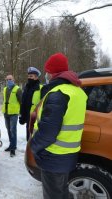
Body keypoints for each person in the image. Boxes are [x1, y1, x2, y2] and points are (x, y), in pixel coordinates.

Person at [30, 53, 87, 199]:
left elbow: (48, 131)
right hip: (68, 154)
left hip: (53, 156)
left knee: (53, 195)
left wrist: (34, 146)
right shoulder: (77, 91)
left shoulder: (58, 94)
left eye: (48, 71)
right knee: (61, 192)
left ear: (53, 73)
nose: (46, 75)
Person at [19, 67, 42, 141]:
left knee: (35, 140)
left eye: (31, 76)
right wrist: (22, 116)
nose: (29, 78)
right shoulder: (26, 88)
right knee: (28, 139)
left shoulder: (41, 88)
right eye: (28, 76)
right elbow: (23, 103)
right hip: (28, 119)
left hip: (37, 120)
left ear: (36, 77)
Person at [1, 74, 22, 157]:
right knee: (8, 130)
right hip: (6, 113)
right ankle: (11, 145)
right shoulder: (5, 89)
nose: (9, 81)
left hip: (13, 113)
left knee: (13, 130)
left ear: (13, 80)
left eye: (10, 79)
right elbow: (4, 100)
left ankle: (13, 148)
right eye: (7, 79)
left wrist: (21, 112)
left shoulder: (18, 89)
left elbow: (21, 101)